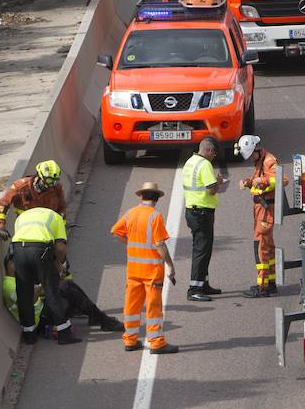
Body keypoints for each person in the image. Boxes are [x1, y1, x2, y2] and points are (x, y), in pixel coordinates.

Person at [112, 181, 178, 354]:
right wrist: (170, 265)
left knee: (131, 306)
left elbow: (116, 231)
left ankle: (130, 340)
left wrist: (130, 243)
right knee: (153, 308)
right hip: (151, 272)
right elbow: (159, 245)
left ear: (141, 196)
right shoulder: (155, 216)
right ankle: (156, 342)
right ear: (157, 199)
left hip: (133, 271)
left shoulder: (130, 213)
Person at [10, 206, 80, 345]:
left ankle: (29, 334)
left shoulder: (22, 217)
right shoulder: (56, 217)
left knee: (24, 293)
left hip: (18, 251)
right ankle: (64, 333)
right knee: (51, 291)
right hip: (40, 250)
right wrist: (58, 264)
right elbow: (60, 248)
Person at [2, 259, 123, 337]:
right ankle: (102, 319)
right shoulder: (9, 285)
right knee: (67, 289)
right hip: (39, 320)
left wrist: (54, 281)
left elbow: (42, 291)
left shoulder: (19, 279)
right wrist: (45, 284)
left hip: (42, 310)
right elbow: (28, 301)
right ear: (10, 266)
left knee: (67, 284)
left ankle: (97, 317)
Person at [235, 135, 288, 298]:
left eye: (251, 155)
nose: (250, 159)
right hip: (261, 208)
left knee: (261, 246)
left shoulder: (269, 160)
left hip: (266, 209)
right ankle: (271, 283)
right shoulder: (260, 161)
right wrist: (248, 182)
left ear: (256, 150)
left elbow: (282, 180)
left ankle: (262, 286)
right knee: (268, 246)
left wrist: (263, 181)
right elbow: (258, 180)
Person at [181, 138, 229, 302]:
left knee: (203, 249)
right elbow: (211, 189)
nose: (214, 157)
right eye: (214, 153)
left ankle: (203, 283)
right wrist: (220, 182)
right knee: (202, 250)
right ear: (209, 150)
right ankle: (194, 289)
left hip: (192, 210)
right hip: (202, 212)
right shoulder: (205, 165)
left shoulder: (190, 162)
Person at [0, 160, 66, 237]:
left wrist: (62, 227)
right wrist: (1, 226)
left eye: (54, 181)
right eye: (49, 180)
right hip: (25, 225)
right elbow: (3, 204)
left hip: (47, 226)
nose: (51, 184)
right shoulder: (20, 186)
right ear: (39, 176)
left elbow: (61, 207)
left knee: (59, 248)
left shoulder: (57, 188)